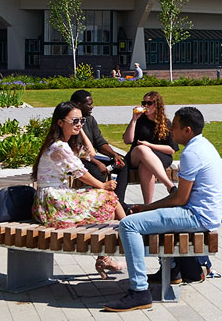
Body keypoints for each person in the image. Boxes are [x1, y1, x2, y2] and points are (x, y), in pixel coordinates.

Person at [103, 107, 222, 312]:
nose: (171, 130)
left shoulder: (192, 153)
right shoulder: (204, 146)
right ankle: (170, 273)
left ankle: (139, 291)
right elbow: (180, 199)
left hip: (197, 216)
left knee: (128, 225)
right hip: (203, 213)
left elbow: (180, 198)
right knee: (148, 220)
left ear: (187, 130)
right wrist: (148, 209)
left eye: (174, 126)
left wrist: (146, 208)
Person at [32, 102, 127, 279]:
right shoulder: (59, 147)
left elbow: (91, 153)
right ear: (60, 123)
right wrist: (103, 185)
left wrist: (79, 129)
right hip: (54, 202)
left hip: (55, 199)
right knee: (108, 198)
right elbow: (81, 173)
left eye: (81, 120)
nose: (79, 124)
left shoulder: (65, 143)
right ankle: (132, 233)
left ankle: (108, 253)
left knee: (108, 203)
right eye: (75, 120)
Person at [71, 90, 130, 211]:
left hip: (90, 158)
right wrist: (97, 162)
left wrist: (114, 155)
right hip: (77, 160)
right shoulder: (71, 122)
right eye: (89, 104)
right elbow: (75, 151)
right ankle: (112, 206)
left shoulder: (89, 120)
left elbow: (100, 142)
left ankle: (117, 202)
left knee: (122, 165)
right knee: (98, 173)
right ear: (78, 104)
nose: (92, 106)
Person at [120, 91, 178, 205]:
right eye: (144, 103)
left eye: (149, 103)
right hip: (136, 155)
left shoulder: (165, 123)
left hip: (159, 157)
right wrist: (134, 120)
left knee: (145, 166)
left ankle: (147, 205)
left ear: (157, 105)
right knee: (142, 149)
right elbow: (128, 140)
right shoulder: (140, 120)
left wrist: (149, 145)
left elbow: (171, 149)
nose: (145, 106)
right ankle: (170, 186)